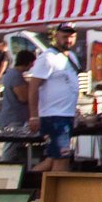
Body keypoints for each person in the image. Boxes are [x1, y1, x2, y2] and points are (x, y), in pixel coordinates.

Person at [26, 23, 82, 173]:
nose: (68, 40)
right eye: (65, 36)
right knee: (62, 160)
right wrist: (33, 116)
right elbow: (33, 87)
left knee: (53, 159)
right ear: (56, 36)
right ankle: (57, 187)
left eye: (71, 36)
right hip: (54, 116)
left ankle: (23, 181)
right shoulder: (48, 57)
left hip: (66, 114)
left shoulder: (71, 57)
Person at [0, 49, 36, 163]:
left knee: (16, 149)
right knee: (10, 149)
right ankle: (3, 168)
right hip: (14, 119)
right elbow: (23, 97)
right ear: (29, 62)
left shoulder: (12, 74)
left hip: (15, 117)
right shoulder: (15, 76)